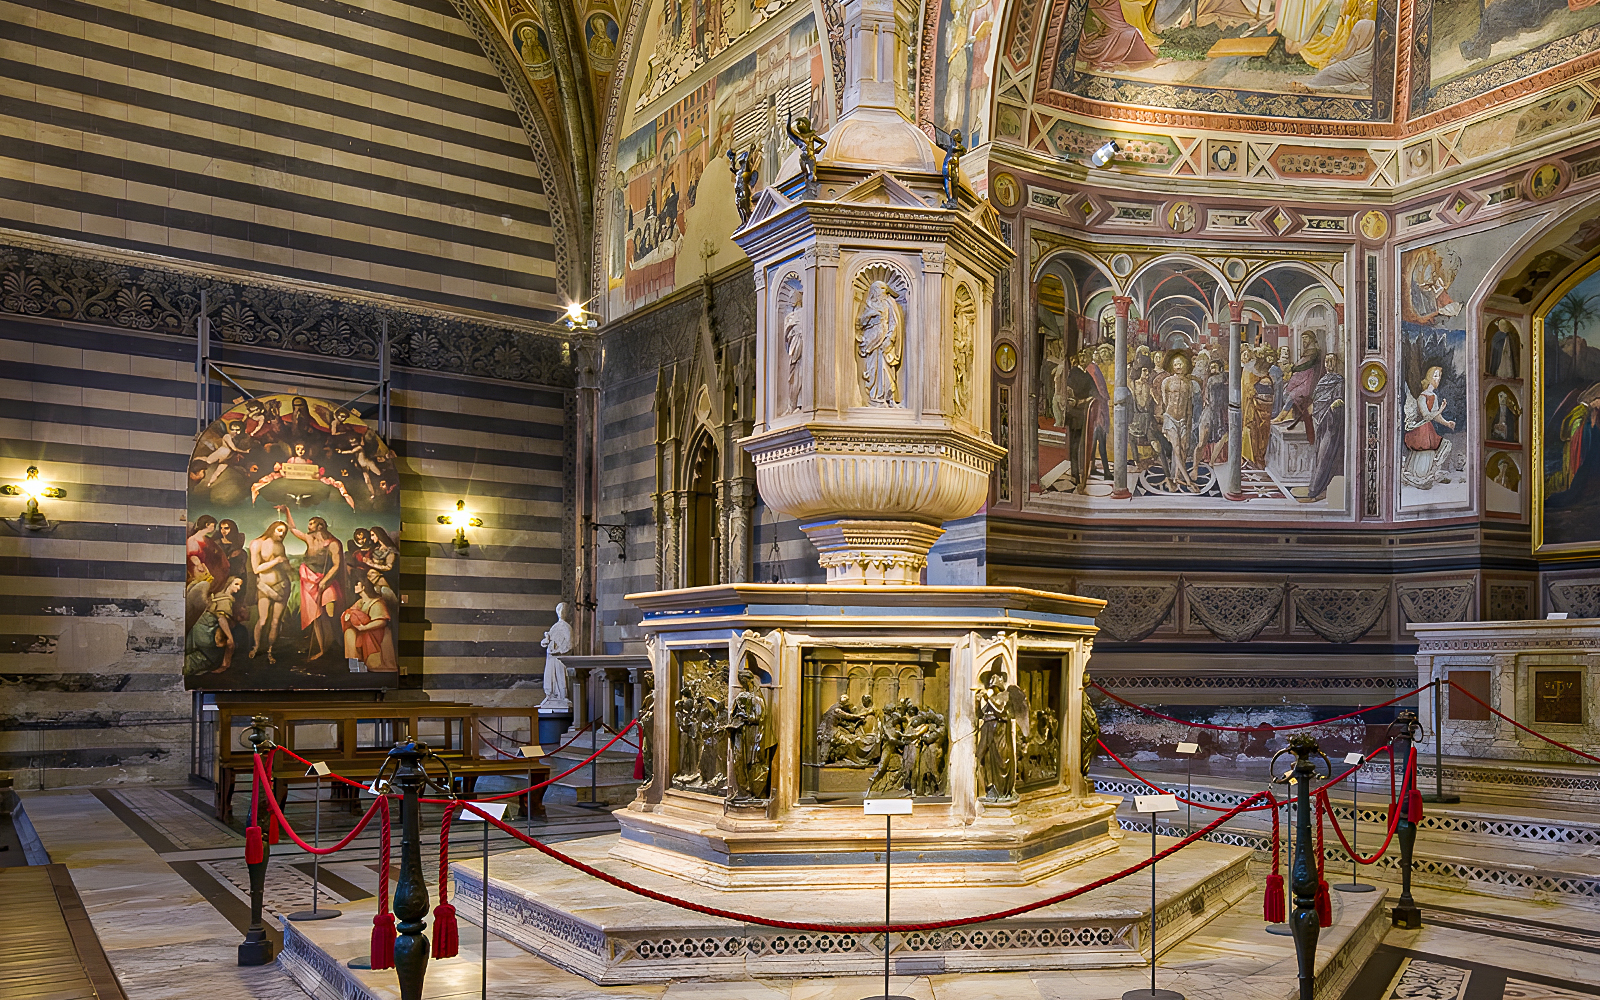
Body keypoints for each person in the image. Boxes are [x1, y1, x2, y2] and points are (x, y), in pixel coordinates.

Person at [282, 506, 345, 660]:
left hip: (325, 580)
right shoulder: (310, 539)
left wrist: (325, 581)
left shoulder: (333, 543)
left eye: (311, 523)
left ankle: (338, 644)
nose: (308, 526)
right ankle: (323, 649)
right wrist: (287, 512)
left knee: (331, 613)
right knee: (316, 616)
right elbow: (293, 529)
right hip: (308, 580)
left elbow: (336, 565)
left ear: (320, 526)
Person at [1402, 365, 1457, 489]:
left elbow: (1436, 416)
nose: (1438, 379)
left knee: (1444, 445)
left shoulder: (1434, 396)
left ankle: (1429, 473)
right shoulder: (1422, 397)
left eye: (1439, 377)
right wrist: (1441, 409)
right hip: (1420, 429)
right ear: (1429, 378)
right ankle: (1419, 476)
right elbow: (1427, 416)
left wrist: (1447, 423)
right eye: (1436, 376)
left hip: (1428, 428)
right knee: (1426, 447)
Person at [249, 520, 292, 664]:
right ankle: (256, 647)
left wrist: (290, 567)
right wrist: (277, 561)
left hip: (282, 586)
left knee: (275, 622)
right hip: (265, 587)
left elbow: (286, 568)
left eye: (284, 532)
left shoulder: (281, 545)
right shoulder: (257, 543)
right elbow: (256, 569)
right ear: (272, 529)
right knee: (262, 620)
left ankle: (270, 651)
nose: (282, 534)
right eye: (279, 530)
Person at [186, 576, 245, 677]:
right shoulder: (226, 599)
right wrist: (230, 638)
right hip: (207, 630)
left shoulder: (217, 595)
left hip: (197, 627)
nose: (238, 588)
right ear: (229, 584)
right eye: (236, 584)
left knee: (191, 652)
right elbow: (221, 619)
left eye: (240, 585)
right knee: (208, 658)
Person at [857, 280, 904, 405]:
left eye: (884, 289)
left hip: (885, 342)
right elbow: (861, 323)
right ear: (874, 291)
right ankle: (876, 398)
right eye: (881, 289)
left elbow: (894, 323)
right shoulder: (869, 304)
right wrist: (869, 315)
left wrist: (890, 339)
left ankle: (888, 398)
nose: (884, 292)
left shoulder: (889, 303)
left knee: (886, 369)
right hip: (871, 342)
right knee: (873, 370)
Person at [1307, 352, 1346, 501]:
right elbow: (1316, 400)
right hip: (1321, 424)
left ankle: (1318, 488)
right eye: (1327, 362)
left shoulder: (1340, 381)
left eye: (1332, 362)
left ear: (1337, 364)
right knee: (1320, 455)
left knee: (1326, 454)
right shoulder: (1322, 380)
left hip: (1332, 424)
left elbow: (1339, 401)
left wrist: (1333, 405)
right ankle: (1317, 488)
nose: (1329, 365)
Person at [341, 576, 398, 672]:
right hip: (364, 633)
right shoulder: (360, 602)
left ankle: (368, 663)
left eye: (357, 584)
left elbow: (382, 621)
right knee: (349, 632)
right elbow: (351, 613)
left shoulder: (376, 602)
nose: (354, 587)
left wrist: (364, 627)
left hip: (376, 635)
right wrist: (348, 615)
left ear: (364, 587)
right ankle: (355, 664)